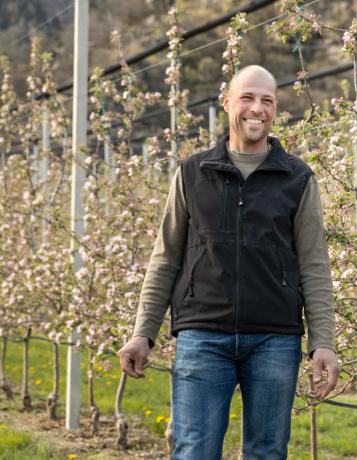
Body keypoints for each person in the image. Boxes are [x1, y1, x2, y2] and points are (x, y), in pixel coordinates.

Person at [118, 65, 340, 459]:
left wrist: (322, 341)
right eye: (248, 97)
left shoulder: (297, 178)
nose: (257, 108)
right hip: (202, 336)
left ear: (275, 109)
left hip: (275, 339)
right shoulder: (192, 172)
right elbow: (165, 257)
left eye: (267, 100)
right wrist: (143, 332)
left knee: (267, 452)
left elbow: (314, 263)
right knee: (194, 451)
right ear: (227, 103)